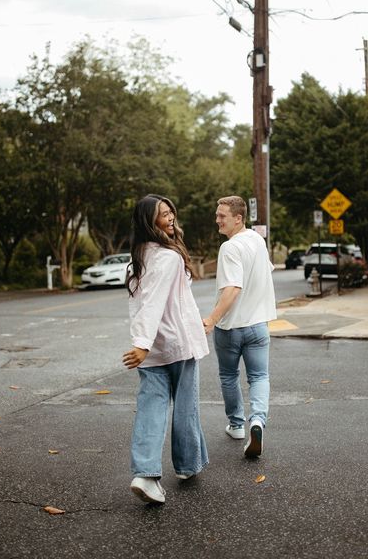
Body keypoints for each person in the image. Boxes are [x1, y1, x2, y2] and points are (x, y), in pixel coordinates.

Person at [122, 194, 209, 504]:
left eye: (171, 210)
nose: (170, 217)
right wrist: (142, 345)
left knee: (151, 408)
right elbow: (154, 301)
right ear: (150, 222)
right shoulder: (169, 257)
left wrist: (144, 343)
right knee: (185, 408)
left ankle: (145, 475)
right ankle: (186, 467)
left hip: (155, 346)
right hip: (175, 345)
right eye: (162, 214)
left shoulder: (139, 257)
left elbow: (154, 302)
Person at [203, 196, 276, 457]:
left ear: (238, 218)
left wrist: (211, 319)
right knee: (259, 376)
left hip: (231, 328)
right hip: (258, 325)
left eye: (222, 216)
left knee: (229, 376)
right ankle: (257, 421)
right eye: (217, 214)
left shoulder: (230, 248)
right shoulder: (257, 240)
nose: (217, 220)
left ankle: (237, 425)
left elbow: (233, 288)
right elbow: (267, 271)